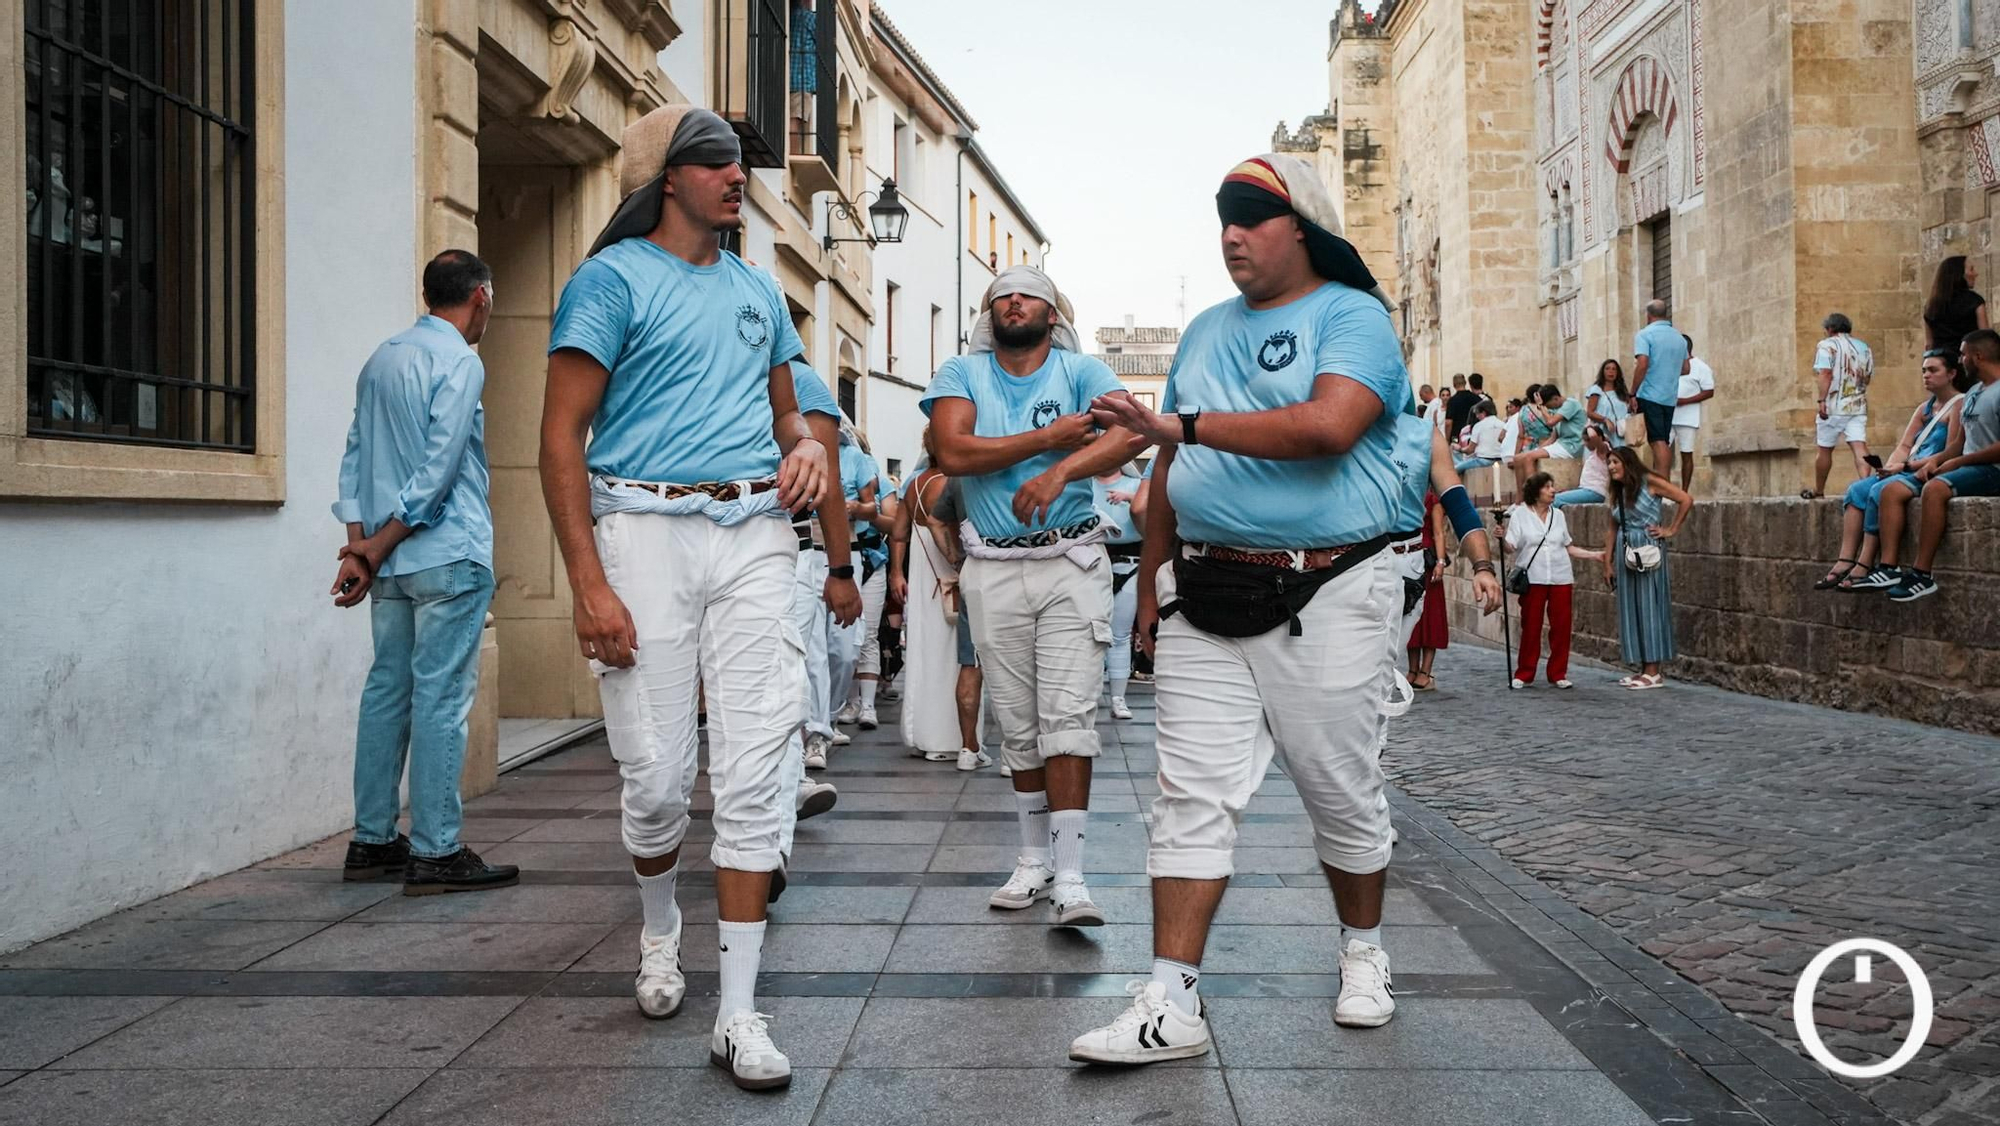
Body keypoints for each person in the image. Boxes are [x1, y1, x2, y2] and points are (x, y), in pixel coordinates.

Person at [1074, 152, 1429, 1063]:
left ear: (1302, 229)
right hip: (1205, 591)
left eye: (1253, 215)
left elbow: (1329, 426)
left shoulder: (1353, 318)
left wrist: (1180, 426)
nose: (1232, 232)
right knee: (1187, 797)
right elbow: (1166, 473)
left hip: (1332, 588)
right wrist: (1154, 588)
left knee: (1339, 790)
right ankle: (1170, 1000)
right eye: (1224, 215)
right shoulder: (1202, 331)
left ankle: (1362, 952)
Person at [537, 105, 829, 1090]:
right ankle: (658, 929)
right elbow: (558, 437)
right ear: (666, 177)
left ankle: (739, 1011)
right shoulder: (610, 281)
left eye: (738, 161)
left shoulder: (758, 290)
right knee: (658, 781)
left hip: (750, 532)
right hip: (640, 533)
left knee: (753, 769)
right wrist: (587, 582)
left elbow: (792, 418)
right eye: (712, 161)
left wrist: (805, 459)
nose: (734, 173)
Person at [924, 264, 1138, 929]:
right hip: (991, 565)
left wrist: (1061, 473)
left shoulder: (1084, 373)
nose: (1015, 302)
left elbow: (1129, 432)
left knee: (1069, 719)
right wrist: (1051, 440)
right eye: (1003, 297)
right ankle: (1031, 860)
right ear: (990, 315)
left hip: (1071, 560)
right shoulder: (962, 374)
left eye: (1030, 295)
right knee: (1016, 722)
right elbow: (951, 451)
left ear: (1054, 313)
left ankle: (1071, 875)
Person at [331, 249, 519, 896]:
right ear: (481, 297)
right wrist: (377, 545)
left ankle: (373, 840)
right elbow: (438, 472)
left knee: (387, 692)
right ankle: (438, 850)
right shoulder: (459, 361)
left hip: (390, 563)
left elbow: (354, 456)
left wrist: (360, 544)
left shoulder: (382, 358)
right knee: (440, 698)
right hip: (445, 553)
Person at [777, 359, 859, 877]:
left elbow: (824, 476)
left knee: (790, 668)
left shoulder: (801, 383)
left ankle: (777, 811)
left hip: (785, 550)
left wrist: (841, 567)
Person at [1862, 328, 2000, 601]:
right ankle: (1889, 568)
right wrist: (1937, 461)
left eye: (1963, 355)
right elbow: (1959, 442)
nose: (1960, 361)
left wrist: (1956, 464)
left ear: (1978, 356)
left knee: (1935, 489)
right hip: (1967, 466)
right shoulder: (1974, 392)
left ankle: (1922, 574)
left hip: (1992, 471)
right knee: (1891, 490)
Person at [1819, 349, 1967, 591]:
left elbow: (1951, 451)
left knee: (1879, 491)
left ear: (1951, 373)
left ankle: (1865, 563)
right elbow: (1905, 445)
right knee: (1857, 490)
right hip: (1905, 467)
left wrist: (1905, 466)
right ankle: (1845, 560)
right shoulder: (1924, 408)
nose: (1926, 375)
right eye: (1923, 371)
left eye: (1932, 370)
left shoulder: (1958, 405)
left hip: (1927, 471)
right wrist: (1889, 467)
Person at [889, 427, 984, 765]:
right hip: (948, 576)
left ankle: (922, 732)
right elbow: (950, 529)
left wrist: (896, 574)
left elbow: (898, 534)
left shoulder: (913, 484)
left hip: (920, 573)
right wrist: (959, 563)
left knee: (923, 650)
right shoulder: (949, 483)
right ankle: (951, 737)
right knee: (955, 658)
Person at [1502, 472, 1605, 689]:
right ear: (1536, 491)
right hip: (1534, 578)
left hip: (1560, 576)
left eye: (1553, 486)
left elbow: (1567, 545)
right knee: (1531, 626)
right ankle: (1525, 672)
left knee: (1561, 626)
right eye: (1548, 486)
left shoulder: (1558, 515)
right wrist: (1502, 537)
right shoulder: (1520, 514)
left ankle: (1558, 672)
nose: (1553, 490)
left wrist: (1594, 555)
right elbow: (1511, 545)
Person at [1603, 445, 1692, 690]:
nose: (1611, 467)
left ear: (1627, 463)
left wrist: (1670, 529)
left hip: (1647, 549)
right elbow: (1612, 526)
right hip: (1626, 549)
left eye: (1615, 462)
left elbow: (1685, 499)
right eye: (1609, 463)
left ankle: (1653, 671)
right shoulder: (1619, 489)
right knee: (1632, 608)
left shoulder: (1650, 481)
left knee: (1649, 606)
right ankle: (1643, 667)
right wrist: (1607, 561)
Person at [831, 427, 891, 731]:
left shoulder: (860, 463)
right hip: (826, 553)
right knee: (839, 637)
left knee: (865, 633)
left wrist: (855, 508)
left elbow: (884, 514)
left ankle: (866, 704)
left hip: (868, 556)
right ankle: (846, 703)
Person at [1094, 462, 1147, 719]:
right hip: (1091, 562)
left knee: (1120, 634)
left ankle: (1118, 698)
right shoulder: (1082, 483)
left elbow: (1158, 508)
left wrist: (1130, 498)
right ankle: (1089, 695)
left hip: (1130, 564)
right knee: (1087, 631)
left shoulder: (1136, 485)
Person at [1808, 312, 1874, 500]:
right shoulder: (1864, 347)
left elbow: (1826, 373)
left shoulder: (1826, 346)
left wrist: (1822, 400)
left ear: (1830, 329)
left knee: (1824, 449)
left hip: (1834, 405)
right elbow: (1867, 377)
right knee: (1859, 446)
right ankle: (1865, 485)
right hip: (1857, 405)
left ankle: (1819, 490)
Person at [1631, 299, 1690, 474]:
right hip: (1669, 397)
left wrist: (1632, 392)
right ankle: (1663, 482)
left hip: (1650, 395)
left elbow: (1642, 364)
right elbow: (1686, 368)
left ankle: (1663, 484)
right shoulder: (1679, 338)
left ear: (1648, 315)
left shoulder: (1644, 335)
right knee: (1662, 439)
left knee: (1657, 441)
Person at [1404, 490, 1450, 691]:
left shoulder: (1433, 499)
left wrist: (1440, 562)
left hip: (1428, 562)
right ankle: (1412, 669)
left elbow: (1439, 532)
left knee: (1430, 615)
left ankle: (1426, 671)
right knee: (1410, 616)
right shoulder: (1404, 494)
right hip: (1407, 559)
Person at [1510, 384, 1583, 494]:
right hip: (1561, 444)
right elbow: (1553, 437)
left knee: (1529, 457)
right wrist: (1537, 450)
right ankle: (1520, 500)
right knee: (1518, 458)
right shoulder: (1558, 409)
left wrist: (1540, 406)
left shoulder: (1571, 404)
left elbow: (1550, 422)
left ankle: (1534, 497)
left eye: (1548, 405)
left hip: (1572, 445)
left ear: (1555, 398)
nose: (1549, 409)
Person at [1672, 336, 1715, 491]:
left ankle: (1684, 491)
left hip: (1688, 418)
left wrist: (1685, 401)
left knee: (1686, 453)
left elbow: (1709, 391)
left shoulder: (1701, 367)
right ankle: (1662, 489)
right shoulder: (1670, 365)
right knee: (1661, 451)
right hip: (1668, 416)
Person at [1924, 255, 1988, 351]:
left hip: (1941, 361)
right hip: (1966, 361)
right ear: (1959, 273)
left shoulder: (1931, 306)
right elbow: (1985, 339)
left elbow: (1928, 345)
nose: (1975, 273)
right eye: (1971, 269)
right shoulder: (1975, 301)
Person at [1554, 423, 1612, 507]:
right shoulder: (1594, 453)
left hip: (1595, 492)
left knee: (1555, 499)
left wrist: (1588, 426)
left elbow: (1593, 436)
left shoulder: (1603, 450)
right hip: (1587, 490)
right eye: (1584, 440)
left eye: (1587, 440)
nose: (1585, 443)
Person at [1584, 358, 1633, 448]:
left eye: (1614, 369)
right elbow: (1590, 412)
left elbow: (1627, 410)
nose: (1611, 371)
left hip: (1621, 432)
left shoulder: (1621, 391)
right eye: (1607, 368)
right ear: (1603, 372)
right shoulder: (1596, 389)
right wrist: (1605, 420)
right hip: (1604, 432)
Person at [1452, 400, 1507, 475]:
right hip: (1501, 460)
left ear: (1484, 413)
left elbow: (1470, 450)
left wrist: (1459, 449)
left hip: (1483, 461)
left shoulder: (1479, 426)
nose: (1477, 417)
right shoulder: (1503, 424)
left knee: (1454, 469)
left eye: (1477, 414)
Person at [1444, 371, 1484, 439]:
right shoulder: (1477, 399)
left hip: (1456, 436)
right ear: (1465, 383)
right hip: (1474, 435)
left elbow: (1448, 423)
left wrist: (1447, 439)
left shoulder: (1452, 401)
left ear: (1454, 384)